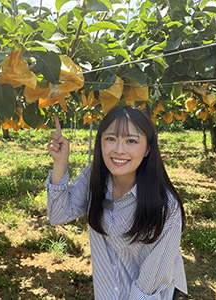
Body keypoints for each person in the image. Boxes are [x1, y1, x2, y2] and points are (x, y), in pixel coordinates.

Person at [46, 105, 187, 299]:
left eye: (131, 141)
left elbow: (148, 287)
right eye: (111, 139)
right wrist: (60, 163)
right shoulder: (95, 178)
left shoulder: (165, 207)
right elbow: (58, 214)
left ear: (147, 149)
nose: (119, 150)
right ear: (100, 142)